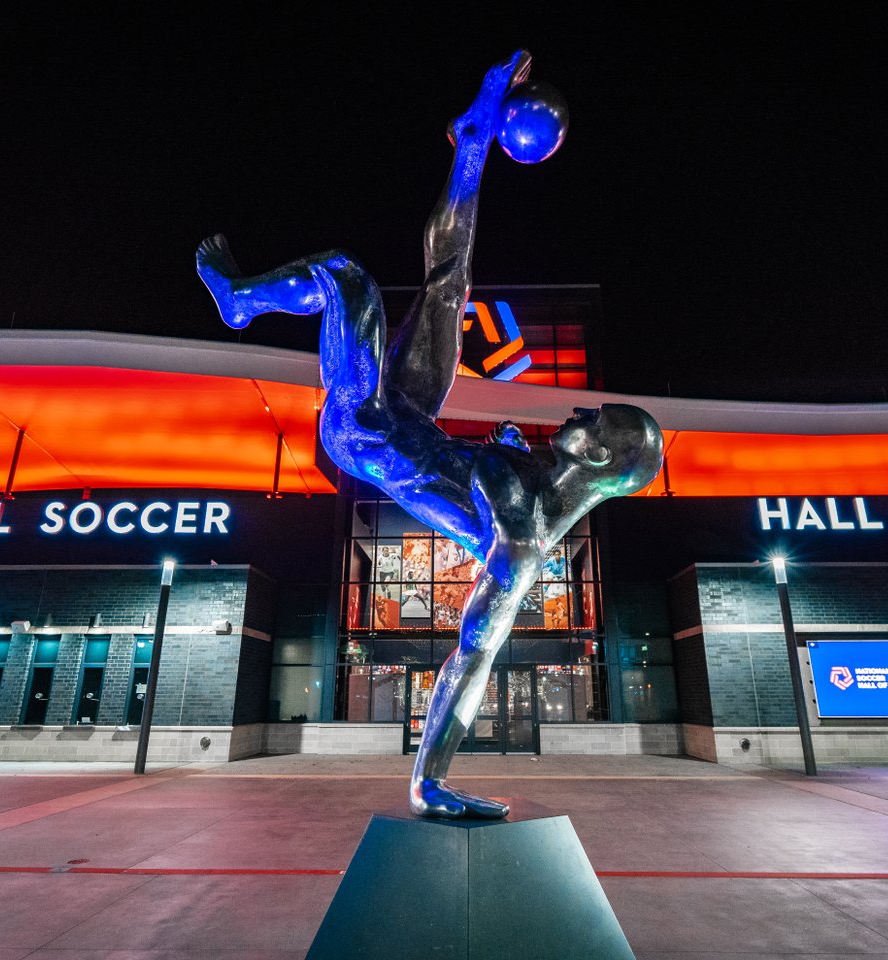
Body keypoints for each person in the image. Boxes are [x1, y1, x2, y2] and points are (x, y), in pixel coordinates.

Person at [198, 50, 663, 818]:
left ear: (607, 458)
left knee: (348, 279)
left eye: (593, 422)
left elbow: (472, 657)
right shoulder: (528, 471)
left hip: (370, 428)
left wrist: (430, 780)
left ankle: (242, 302)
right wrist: (478, 142)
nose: (578, 414)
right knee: (450, 281)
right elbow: (448, 264)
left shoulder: (520, 542)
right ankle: (475, 139)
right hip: (416, 416)